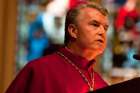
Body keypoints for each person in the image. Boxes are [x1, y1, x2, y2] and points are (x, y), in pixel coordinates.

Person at [5, 2, 109, 93]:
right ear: (73, 31)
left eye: (105, 28)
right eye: (95, 25)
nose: (102, 32)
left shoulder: (102, 84)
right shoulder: (39, 70)